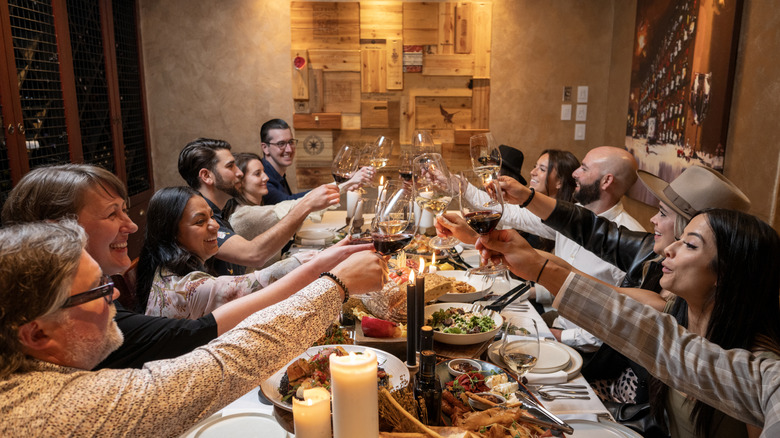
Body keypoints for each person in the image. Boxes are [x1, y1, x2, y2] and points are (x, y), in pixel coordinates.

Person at [0, 220, 384, 436]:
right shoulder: (46, 412)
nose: (114, 296)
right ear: (37, 334)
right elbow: (223, 365)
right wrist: (334, 286)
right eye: (98, 291)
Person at [1, 164, 376, 369]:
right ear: (59, 231)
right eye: (113, 214)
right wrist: (332, 280)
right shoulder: (78, 322)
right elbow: (201, 333)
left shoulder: (109, 303)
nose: (131, 226)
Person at [476, 209, 780, 438]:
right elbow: (610, 301)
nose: (670, 247)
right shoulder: (676, 310)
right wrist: (529, 262)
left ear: (723, 274)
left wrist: (540, 268)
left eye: (690, 244)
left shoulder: (761, 367)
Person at [499, 164, 752, 405]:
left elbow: (608, 299)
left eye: (663, 213)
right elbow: (590, 231)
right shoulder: (653, 255)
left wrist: (537, 266)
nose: (652, 219)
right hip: (610, 381)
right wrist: (525, 201)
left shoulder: (684, 311)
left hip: (619, 397)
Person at [439, 146, 645, 352]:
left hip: (586, 350)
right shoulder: (574, 217)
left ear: (606, 181)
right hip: (557, 324)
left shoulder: (630, 243)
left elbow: (625, 321)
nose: (574, 173)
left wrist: (555, 336)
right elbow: (509, 214)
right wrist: (456, 184)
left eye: (583, 168)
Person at [136, 186, 348, 319]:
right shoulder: (189, 288)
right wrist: (319, 259)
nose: (215, 226)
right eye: (200, 221)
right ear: (171, 233)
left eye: (212, 217)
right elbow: (255, 283)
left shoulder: (164, 269)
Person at [178, 138, 339, 276]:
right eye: (230, 166)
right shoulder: (200, 223)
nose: (239, 173)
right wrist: (307, 204)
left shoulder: (217, 215)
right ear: (206, 176)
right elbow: (254, 254)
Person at [225, 152, 370, 268]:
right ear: (240, 180)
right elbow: (294, 208)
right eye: (257, 174)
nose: (266, 177)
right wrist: (346, 184)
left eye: (264, 171)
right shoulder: (243, 215)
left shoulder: (253, 208)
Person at [258, 119, 374, 204]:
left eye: (291, 142)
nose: (289, 149)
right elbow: (289, 204)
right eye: (281, 144)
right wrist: (345, 184)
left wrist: (348, 182)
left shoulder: (276, 173)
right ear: (265, 148)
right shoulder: (263, 179)